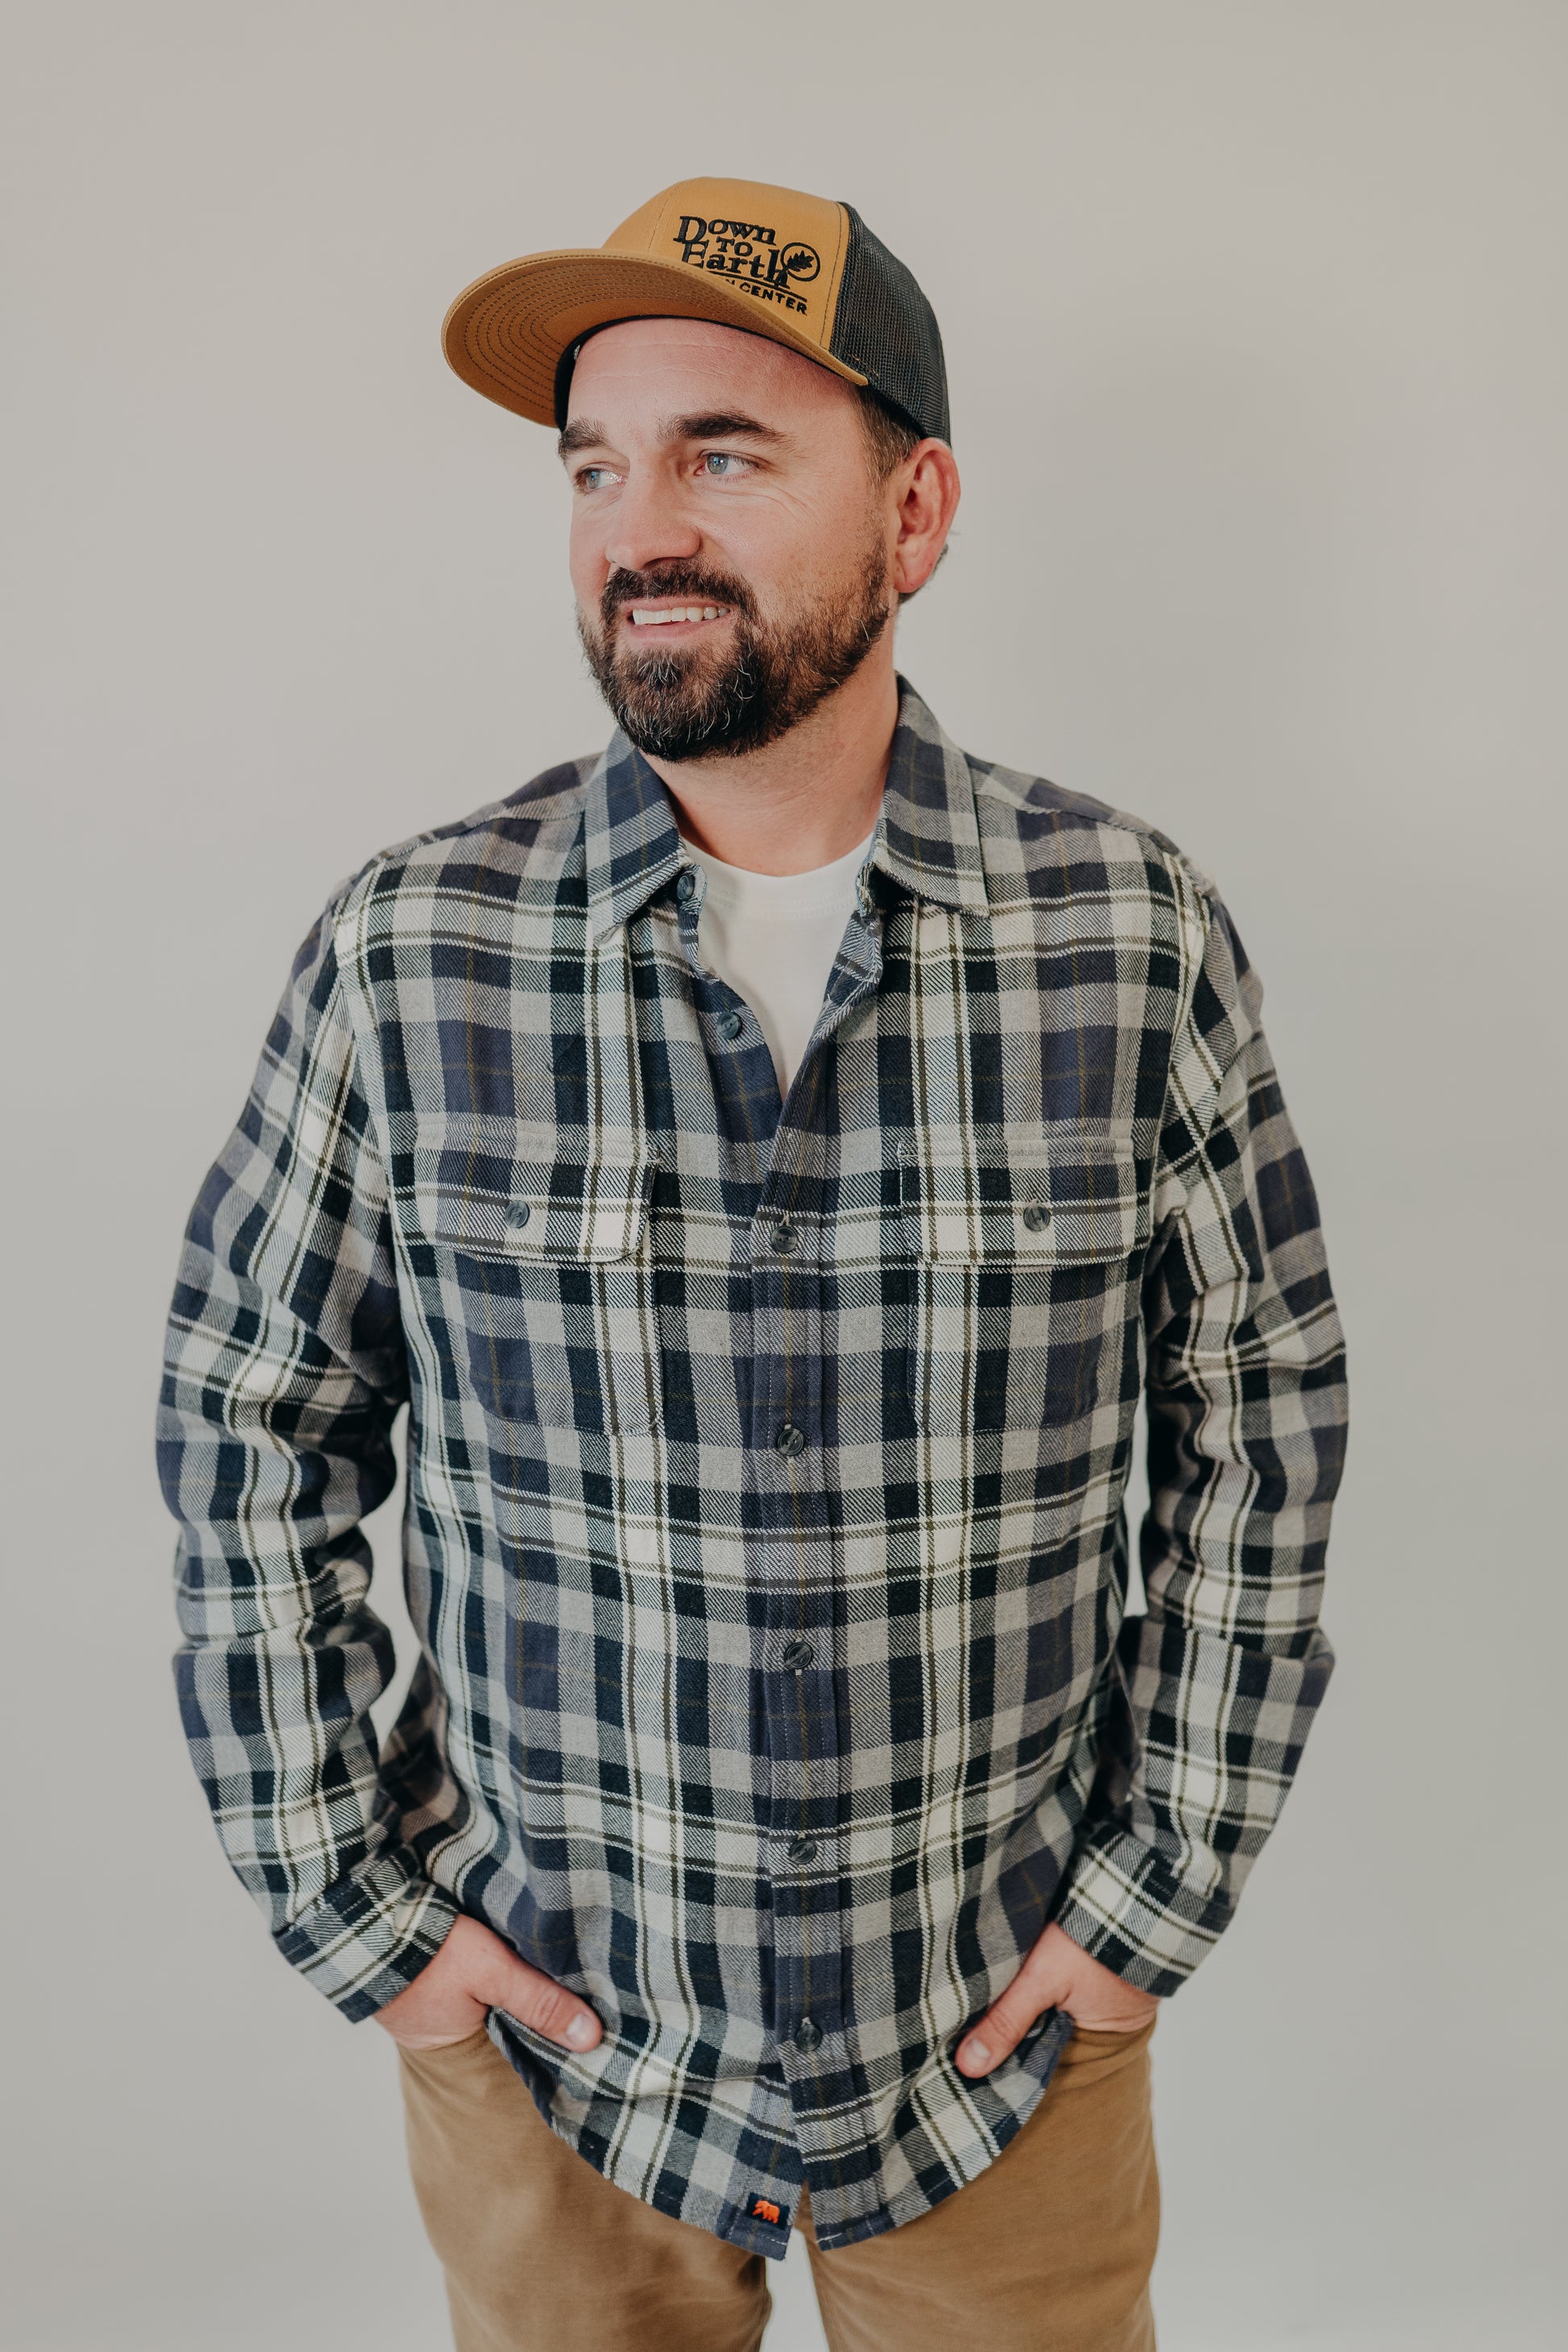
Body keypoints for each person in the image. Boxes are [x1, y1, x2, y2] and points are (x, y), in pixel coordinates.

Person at [159, 176, 1347, 2352]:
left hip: (1000, 2049)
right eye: (595, 468)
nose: (641, 531)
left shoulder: (1127, 936)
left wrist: (1148, 1901)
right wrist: (366, 1923)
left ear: (917, 510)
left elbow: (1261, 1422)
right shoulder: (412, 952)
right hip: (554, 2061)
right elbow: (248, 1428)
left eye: (724, 455)